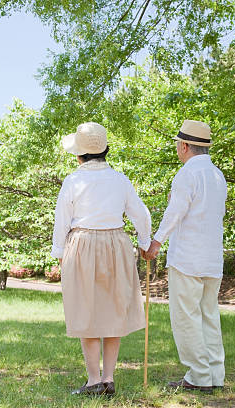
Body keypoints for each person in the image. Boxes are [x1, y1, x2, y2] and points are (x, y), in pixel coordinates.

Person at [51, 122, 152, 396]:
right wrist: (145, 242)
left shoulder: (73, 181)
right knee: (113, 310)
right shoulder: (120, 179)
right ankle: (108, 378)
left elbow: (62, 221)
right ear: (105, 150)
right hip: (115, 243)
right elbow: (141, 215)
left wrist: (59, 253)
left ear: (79, 155)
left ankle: (95, 380)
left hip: (82, 243)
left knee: (87, 311)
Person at [143, 119, 227, 393]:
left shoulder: (187, 174)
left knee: (186, 317)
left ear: (186, 146)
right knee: (209, 316)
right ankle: (215, 374)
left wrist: (156, 242)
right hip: (212, 259)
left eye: (179, 145)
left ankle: (200, 375)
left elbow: (175, 212)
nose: (178, 149)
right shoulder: (217, 175)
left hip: (188, 258)